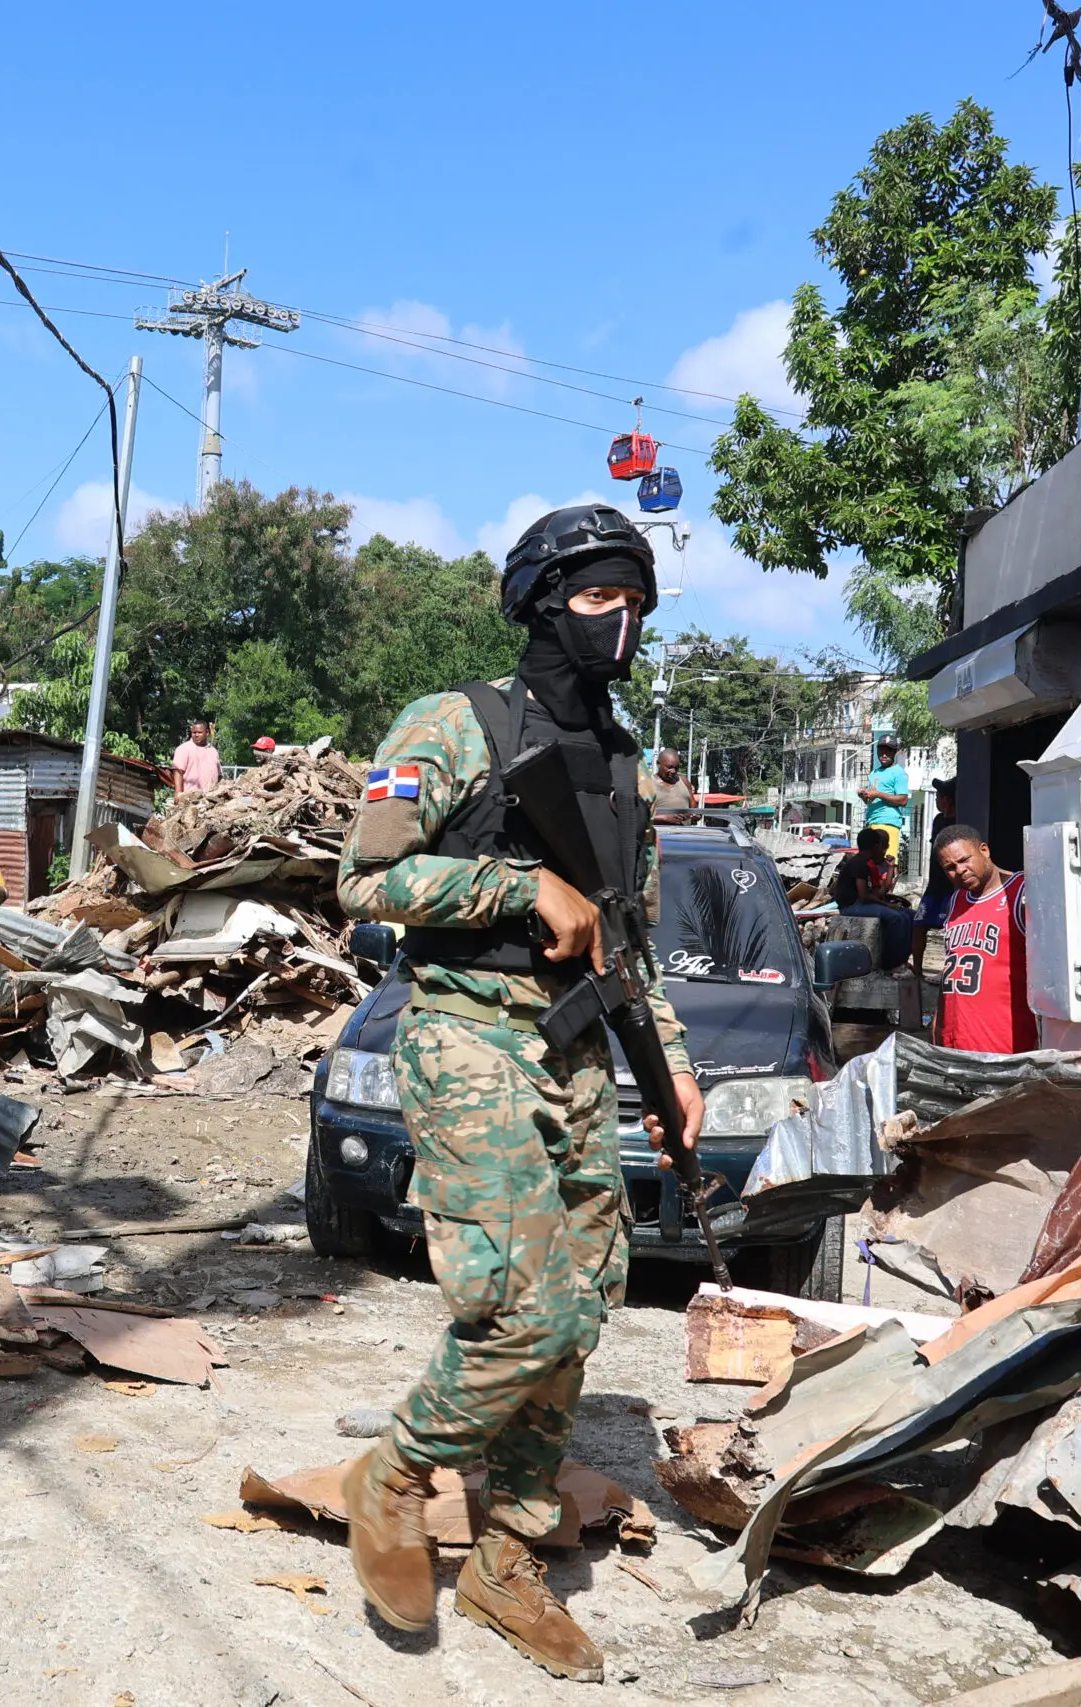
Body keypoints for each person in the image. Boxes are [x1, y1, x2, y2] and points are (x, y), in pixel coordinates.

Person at [337, 502, 701, 1680]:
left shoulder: (625, 755)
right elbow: (365, 878)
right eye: (598, 599)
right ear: (543, 606)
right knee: (521, 1305)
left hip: (581, 1048)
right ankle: (393, 1471)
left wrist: (675, 1068)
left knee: (584, 1309)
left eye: (634, 601)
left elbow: (627, 936)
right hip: (466, 1035)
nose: (621, 622)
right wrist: (512, 888)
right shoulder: (455, 721)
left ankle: (506, 1557)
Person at [932, 822, 1038, 1055]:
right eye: (949, 867)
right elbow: (951, 968)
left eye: (964, 860)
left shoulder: (1022, 891)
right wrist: (938, 1025)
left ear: (984, 850)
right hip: (957, 1044)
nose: (959, 870)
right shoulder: (956, 900)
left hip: (1006, 1046)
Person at [829, 827, 914, 970]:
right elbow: (863, 895)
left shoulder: (862, 862)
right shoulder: (860, 863)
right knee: (896, 918)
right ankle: (891, 963)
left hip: (859, 903)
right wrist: (887, 906)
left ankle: (903, 959)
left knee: (910, 916)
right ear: (876, 846)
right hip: (852, 906)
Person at [911, 777, 959, 970]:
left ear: (947, 799)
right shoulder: (938, 820)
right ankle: (916, 971)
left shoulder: (961, 821)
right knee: (918, 925)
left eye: (939, 796)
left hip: (952, 887)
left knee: (952, 930)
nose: (937, 800)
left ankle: (949, 972)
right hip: (934, 886)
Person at [856, 734, 911, 865]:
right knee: (870, 865)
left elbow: (903, 800)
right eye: (881, 750)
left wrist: (878, 794)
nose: (884, 754)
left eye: (888, 751)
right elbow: (871, 800)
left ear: (895, 752)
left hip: (888, 823)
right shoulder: (874, 773)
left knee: (888, 864)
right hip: (872, 821)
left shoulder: (899, 773)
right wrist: (864, 796)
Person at [168, 720, 221, 793]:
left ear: (207, 732)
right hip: (190, 798)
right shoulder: (184, 749)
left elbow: (219, 775)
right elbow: (178, 772)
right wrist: (178, 793)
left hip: (211, 798)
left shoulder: (213, 751)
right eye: (194, 732)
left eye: (199, 732)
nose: (196, 735)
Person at [649, 748, 697, 822]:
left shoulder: (684, 781)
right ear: (658, 764)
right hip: (658, 832)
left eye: (676, 767)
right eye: (669, 767)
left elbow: (693, 809)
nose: (673, 771)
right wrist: (664, 818)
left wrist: (694, 815)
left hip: (685, 832)